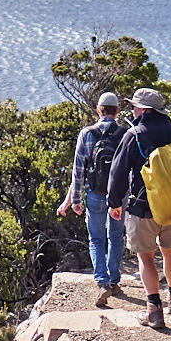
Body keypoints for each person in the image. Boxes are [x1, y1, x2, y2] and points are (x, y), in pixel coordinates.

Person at [106, 87, 171, 331]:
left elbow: (118, 173)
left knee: (145, 257)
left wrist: (114, 203)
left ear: (143, 109)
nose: (133, 110)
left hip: (143, 208)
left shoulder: (134, 135)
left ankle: (154, 310)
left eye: (135, 106)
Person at [57, 90, 128, 308]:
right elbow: (132, 170)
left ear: (98, 110)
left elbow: (78, 171)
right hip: (119, 196)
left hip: (95, 194)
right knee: (116, 236)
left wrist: (76, 200)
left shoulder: (87, 134)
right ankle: (114, 280)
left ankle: (102, 281)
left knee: (96, 239)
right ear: (117, 111)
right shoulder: (125, 134)